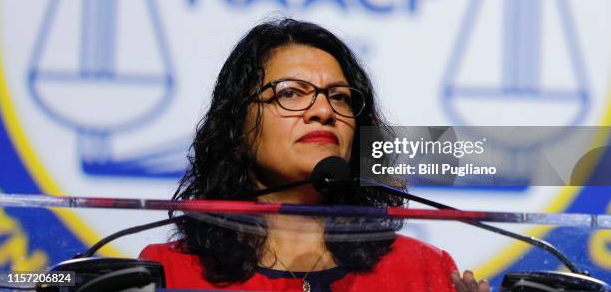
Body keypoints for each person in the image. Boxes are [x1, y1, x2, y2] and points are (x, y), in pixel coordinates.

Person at [140, 18, 490, 291]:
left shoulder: (423, 271)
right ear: (236, 128)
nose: (324, 110)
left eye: (340, 97)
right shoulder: (168, 273)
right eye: (291, 93)